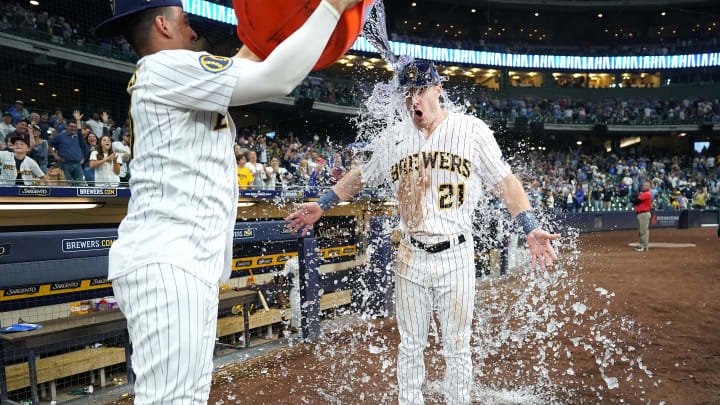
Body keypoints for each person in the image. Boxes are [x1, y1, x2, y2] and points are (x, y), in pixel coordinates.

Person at [93, 0, 361, 402]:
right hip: (170, 259)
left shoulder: (175, 76)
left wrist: (262, 38)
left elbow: (245, 68)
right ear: (163, 25)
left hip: (181, 261)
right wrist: (331, 8)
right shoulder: (166, 66)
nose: (195, 31)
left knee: (187, 396)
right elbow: (276, 79)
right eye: (185, 21)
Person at [285, 60, 560, 405]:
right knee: (410, 344)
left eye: (420, 91)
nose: (413, 99)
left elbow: (505, 183)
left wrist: (530, 226)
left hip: (457, 254)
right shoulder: (394, 137)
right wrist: (324, 203)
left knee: (456, 345)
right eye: (407, 93)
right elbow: (363, 175)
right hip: (411, 254)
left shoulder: (471, 130)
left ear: (438, 91)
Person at [634, 181, 652, 251]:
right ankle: (642, 244)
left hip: (644, 214)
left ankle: (644, 246)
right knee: (641, 230)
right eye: (644, 185)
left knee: (643, 231)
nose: (644, 186)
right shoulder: (644, 193)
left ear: (649, 187)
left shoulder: (647, 193)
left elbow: (636, 201)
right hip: (641, 213)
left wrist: (634, 197)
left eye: (646, 185)